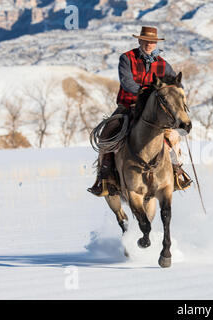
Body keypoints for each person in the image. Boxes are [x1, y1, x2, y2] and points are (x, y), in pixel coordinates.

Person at [87, 26, 192, 197]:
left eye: (152, 42)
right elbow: (127, 82)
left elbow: (175, 86)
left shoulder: (163, 64)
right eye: (146, 41)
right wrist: (149, 95)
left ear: (156, 43)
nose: (149, 44)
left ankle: (176, 170)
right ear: (139, 41)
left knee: (172, 136)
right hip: (128, 107)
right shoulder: (127, 58)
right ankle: (105, 176)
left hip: (154, 113)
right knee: (108, 132)